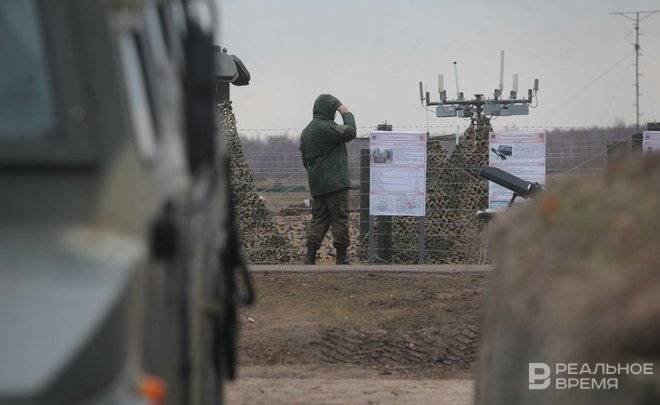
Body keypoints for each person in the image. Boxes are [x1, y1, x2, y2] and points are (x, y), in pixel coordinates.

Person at [299, 94, 356, 265]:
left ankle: (310, 256)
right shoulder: (326, 128)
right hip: (335, 183)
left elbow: (305, 160)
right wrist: (346, 113)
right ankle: (342, 257)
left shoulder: (307, 131)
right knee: (340, 217)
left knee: (319, 219)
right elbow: (350, 131)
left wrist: (317, 173)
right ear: (329, 110)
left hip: (317, 184)